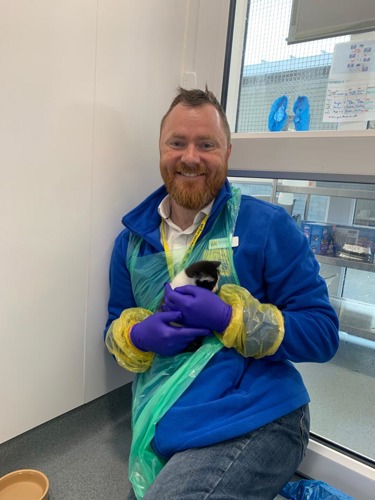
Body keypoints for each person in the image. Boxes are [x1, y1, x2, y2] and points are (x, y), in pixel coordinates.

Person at [104, 87, 339, 500]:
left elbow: (323, 333)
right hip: (167, 419)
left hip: (257, 414)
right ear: (160, 150)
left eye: (206, 144)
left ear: (227, 153)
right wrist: (138, 336)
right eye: (177, 143)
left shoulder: (266, 228)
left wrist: (232, 320)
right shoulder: (133, 244)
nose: (190, 157)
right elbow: (113, 329)